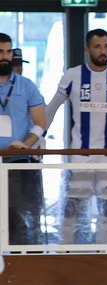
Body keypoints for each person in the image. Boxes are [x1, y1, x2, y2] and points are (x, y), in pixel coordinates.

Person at [45, 28, 107, 245]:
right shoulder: (72, 75)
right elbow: (52, 107)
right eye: (97, 46)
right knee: (72, 204)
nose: (103, 51)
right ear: (87, 49)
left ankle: (103, 251)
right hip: (80, 153)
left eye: (106, 46)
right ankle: (64, 248)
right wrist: (39, 135)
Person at [0, 33, 45, 245]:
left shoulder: (27, 86)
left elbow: (40, 123)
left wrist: (25, 146)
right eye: (0, 52)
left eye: (8, 51)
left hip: (16, 163)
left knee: (17, 215)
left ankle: (20, 260)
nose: (5, 56)